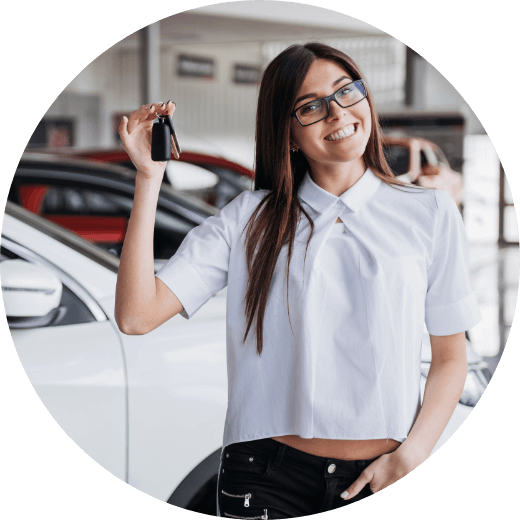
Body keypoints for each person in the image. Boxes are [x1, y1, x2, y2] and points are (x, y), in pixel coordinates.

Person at [115, 42, 482, 518]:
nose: (337, 112)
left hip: (384, 470)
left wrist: (412, 455)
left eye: (346, 92)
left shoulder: (429, 212)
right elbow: (136, 315)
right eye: (311, 106)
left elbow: (451, 356)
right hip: (265, 477)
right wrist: (149, 177)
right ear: (286, 132)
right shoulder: (248, 219)